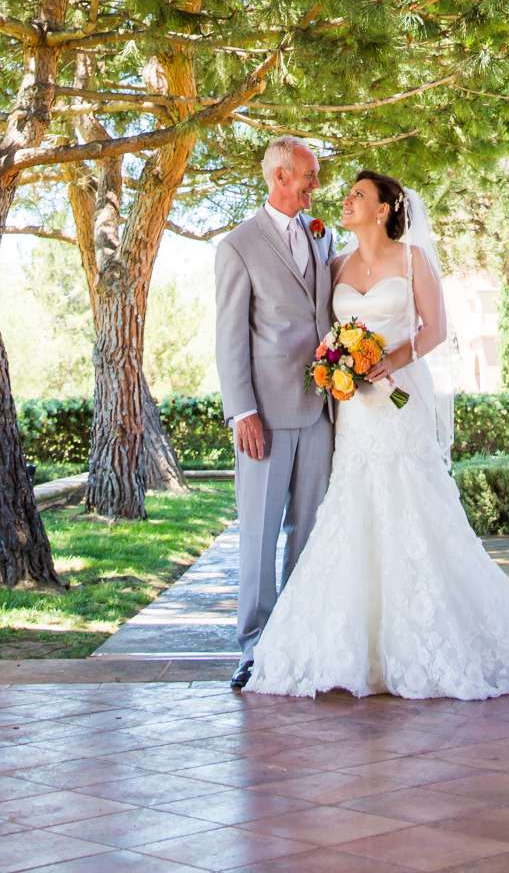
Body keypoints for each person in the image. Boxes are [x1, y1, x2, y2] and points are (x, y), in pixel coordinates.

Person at [247, 168, 509, 699]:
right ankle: (357, 649)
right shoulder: (336, 264)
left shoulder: (413, 260)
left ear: (385, 208)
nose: (345, 201)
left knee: (412, 506)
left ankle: (433, 640)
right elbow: (326, 332)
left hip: (401, 397)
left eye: (358, 196)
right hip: (356, 410)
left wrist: (386, 359)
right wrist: (337, 364)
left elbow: (435, 328)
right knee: (355, 507)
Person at [213, 136, 337, 691]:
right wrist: (242, 412)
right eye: (309, 176)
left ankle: (298, 639)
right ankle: (253, 647)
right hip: (264, 414)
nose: (317, 185)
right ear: (280, 177)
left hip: (321, 413)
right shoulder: (238, 246)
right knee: (259, 536)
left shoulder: (322, 234)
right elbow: (229, 337)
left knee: (309, 532)